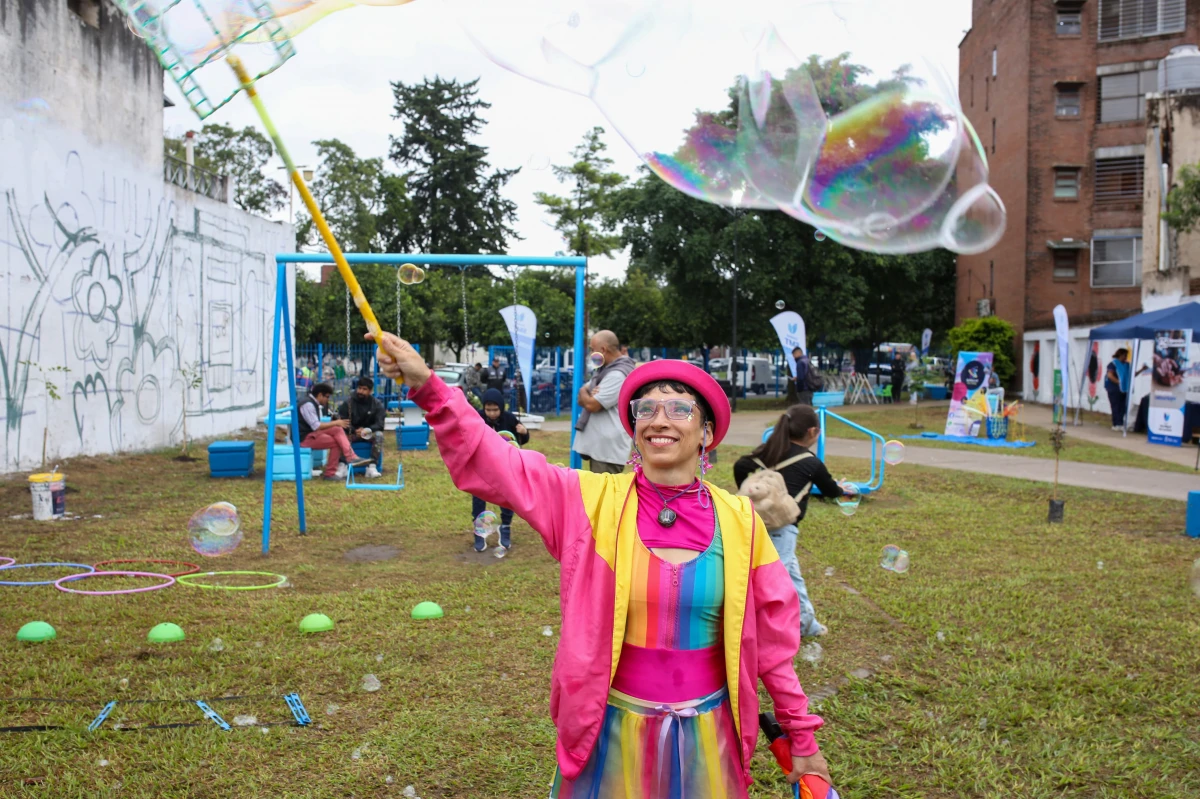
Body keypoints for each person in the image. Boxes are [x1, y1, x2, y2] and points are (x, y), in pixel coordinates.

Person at [374, 332, 832, 798]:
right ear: (632, 427)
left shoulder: (741, 523)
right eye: (645, 410)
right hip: (607, 737)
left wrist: (802, 735)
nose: (659, 420)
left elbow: (774, 646)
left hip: (707, 741)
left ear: (707, 432)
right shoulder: (588, 501)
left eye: (679, 409)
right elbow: (498, 462)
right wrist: (428, 385)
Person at [733, 406, 849, 640]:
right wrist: (841, 488)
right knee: (775, 578)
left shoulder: (766, 453)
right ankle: (748, 627)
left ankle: (807, 624)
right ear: (813, 431)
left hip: (753, 523)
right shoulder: (810, 462)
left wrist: (750, 491)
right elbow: (829, 490)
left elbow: (740, 466)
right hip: (782, 529)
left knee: (791, 575)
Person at [471, 388, 530, 551]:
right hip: (482, 466)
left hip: (505, 466)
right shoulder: (477, 418)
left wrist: (524, 432)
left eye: (495, 410)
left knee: (507, 497)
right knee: (478, 498)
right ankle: (479, 532)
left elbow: (522, 439)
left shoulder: (509, 419)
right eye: (488, 410)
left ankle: (505, 527)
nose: (491, 413)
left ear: (501, 408)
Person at [574, 330, 635, 474]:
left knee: (603, 494)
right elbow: (582, 398)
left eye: (592, 349)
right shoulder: (605, 371)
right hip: (601, 448)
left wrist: (585, 392)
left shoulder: (617, 375)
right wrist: (585, 392)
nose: (591, 354)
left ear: (603, 350)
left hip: (607, 452)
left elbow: (591, 405)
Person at [298, 382, 371, 480]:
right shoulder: (308, 405)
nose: (328, 400)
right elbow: (316, 426)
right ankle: (330, 473)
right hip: (303, 438)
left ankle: (351, 457)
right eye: (327, 397)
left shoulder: (312, 403)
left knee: (337, 429)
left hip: (311, 433)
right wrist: (336, 422)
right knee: (336, 440)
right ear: (320, 395)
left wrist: (336, 423)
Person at [336, 377, 386, 472]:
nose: (361, 391)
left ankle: (372, 466)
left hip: (367, 433)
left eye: (364, 389)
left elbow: (380, 424)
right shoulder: (348, 403)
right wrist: (355, 430)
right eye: (359, 388)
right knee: (341, 435)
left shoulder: (376, 404)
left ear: (370, 391)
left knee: (379, 435)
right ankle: (342, 465)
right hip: (352, 433)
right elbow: (342, 421)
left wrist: (366, 430)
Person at [1105, 348, 1132, 430]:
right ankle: (1115, 423)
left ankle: (1120, 423)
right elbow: (1110, 375)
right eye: (1125, 355)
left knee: (1123, 406)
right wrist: (1119, 382)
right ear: (1120, 355)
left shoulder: (1127, 365)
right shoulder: (1113, 364)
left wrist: (1142, 370)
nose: (1126, 357)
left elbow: (1130, 375)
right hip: (1114, 388)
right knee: (1116, 406)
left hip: (1124, 389)